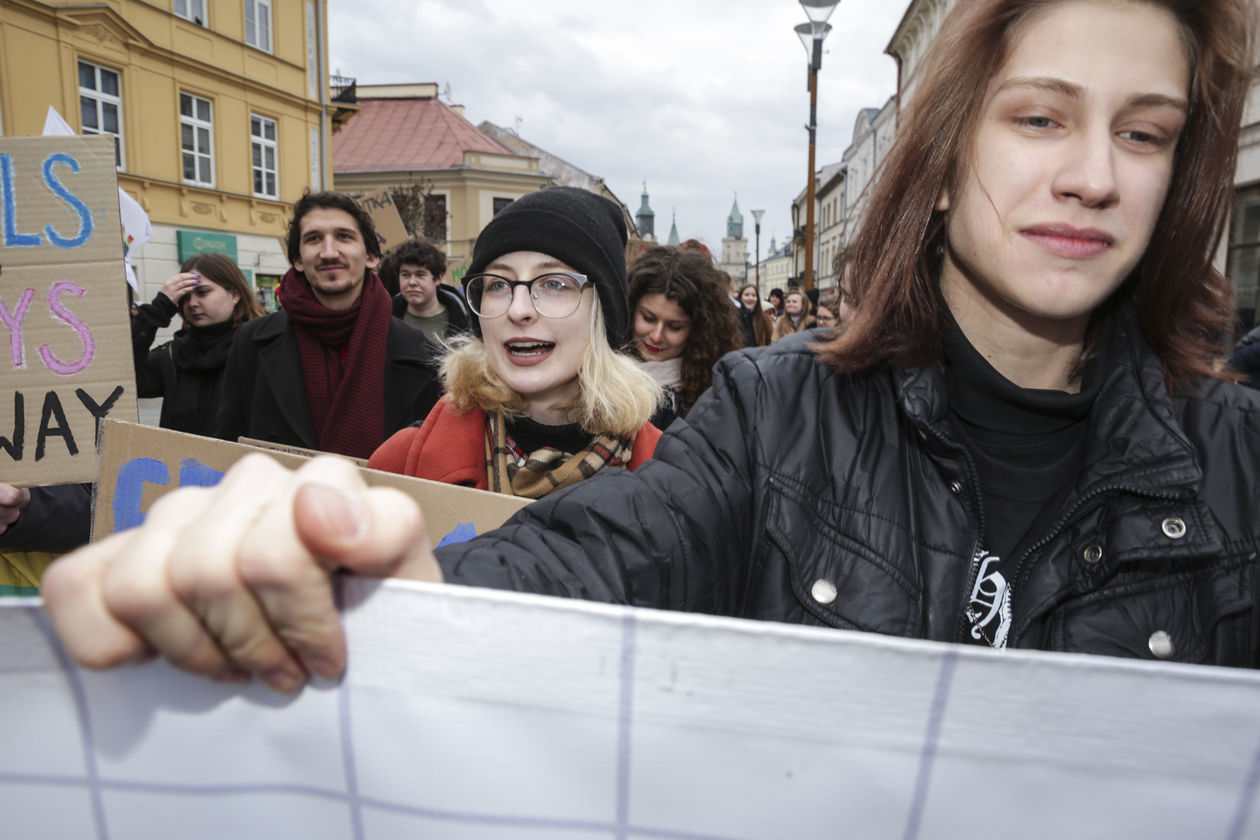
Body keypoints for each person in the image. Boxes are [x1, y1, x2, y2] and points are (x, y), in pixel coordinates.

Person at [42, 0, 1260, 688]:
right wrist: (336, 585)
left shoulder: (1238, 466)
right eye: (1041, 116)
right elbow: (584, 569)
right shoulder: (775, 419)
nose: (1093, 175)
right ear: (941, 166)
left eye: (1145, 135)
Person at [367, 187, 662, 497]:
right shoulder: (400, 464)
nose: (518, 309)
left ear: (604, 311)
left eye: (553, 283)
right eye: (497, 284)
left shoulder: (668, 477)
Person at [215, 191, 443, 459]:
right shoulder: (251, 342)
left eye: (344, 237)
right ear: (298, 260)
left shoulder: (420, 351)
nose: (328, 252)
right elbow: (227, 449)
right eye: (313, 239)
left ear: (371, 256)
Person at [132, 253, 264, 436]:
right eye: (185, 297)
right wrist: (156, 312)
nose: (192, 303)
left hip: (244, 463)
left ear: (234, 294)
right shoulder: (172, 354)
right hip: (181, 462)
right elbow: (127, 384)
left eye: (203, 293)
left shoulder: (262, 347)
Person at [626, 246, 744, 429]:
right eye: (648, 318)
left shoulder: (714, 400)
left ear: (698, 330)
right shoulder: (594, 375)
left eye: (674, 327)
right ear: (630, 311)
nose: (656, 336)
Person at [379, 237, 472, 344]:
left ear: (438, 278)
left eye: (420, 275)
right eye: (405, 275)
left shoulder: (464, 322)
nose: (412, 282)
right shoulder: (384, 319)